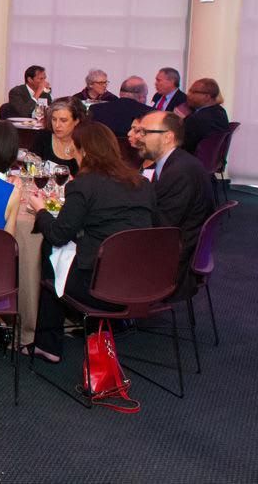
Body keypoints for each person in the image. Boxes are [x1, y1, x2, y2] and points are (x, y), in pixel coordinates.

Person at [28, 122, 157, 361]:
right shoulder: (142, 183)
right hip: (145, 281)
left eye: (74, 149)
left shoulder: (84, 185)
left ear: (84, 151)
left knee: (51, 248)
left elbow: (58, 234)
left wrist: (41, 211)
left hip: (99, 287)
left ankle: (48, 343)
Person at [136, 111, 216, 294]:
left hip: (173, 264)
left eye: (144, 132)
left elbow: (161, 227)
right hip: (176, 248)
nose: (139, 138)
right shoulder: (175, 162)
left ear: (167, 137)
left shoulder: (180, 172)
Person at [32, 98, 86, 176]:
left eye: (63, 120)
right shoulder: (43, 137)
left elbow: (91, 178)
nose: (57, 125)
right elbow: (30, 168)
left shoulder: (85, 142)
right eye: (54, 119)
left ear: (76, 121)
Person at [181, 78, 230, 155]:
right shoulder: (220, 112)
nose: (188, 95)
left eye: (193, 92)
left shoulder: (197, 119)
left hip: (190, 161)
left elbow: (183, 145)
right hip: (208, 162)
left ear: (207, 96)